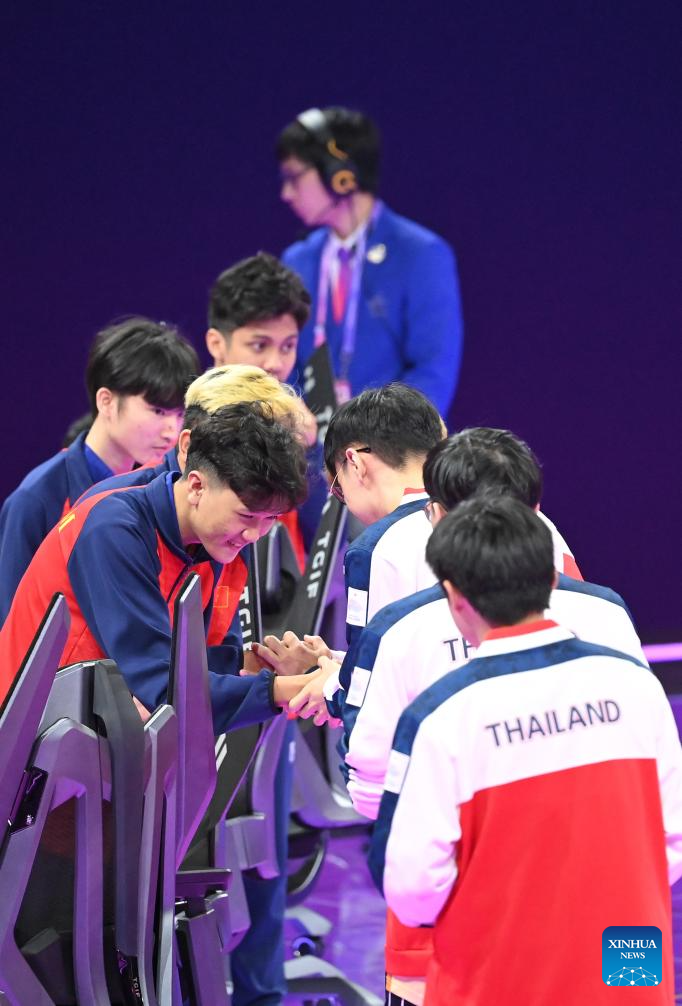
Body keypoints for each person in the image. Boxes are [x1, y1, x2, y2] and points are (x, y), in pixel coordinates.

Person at [336, 428, 640, 1006]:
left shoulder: (407, 643)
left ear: (433, 516)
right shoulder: (609, 617)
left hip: (462, 936)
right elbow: (665, 826)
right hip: (621, 925)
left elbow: (376, 800)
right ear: (537, 512)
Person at [0, 403, 328, 728]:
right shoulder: (114, 530)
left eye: (270, 518)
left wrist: (264, 665)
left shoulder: (209, 540)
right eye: (247, 515)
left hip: (90, 724)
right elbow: (164, 689)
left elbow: (181, 663)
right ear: (197, 486)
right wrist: (291, 689)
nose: (254, 534)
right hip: (27, 731)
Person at [253, 384, 445, 720]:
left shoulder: (377, 549)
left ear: (355, 463)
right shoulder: (519, 519)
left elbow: (366, 696)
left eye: (338, 490)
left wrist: (329, 687)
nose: (346, 503)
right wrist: (334, 663)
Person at [0, 317, 199, 626]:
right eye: (158, 411)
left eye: (179, 414)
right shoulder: (35, 500)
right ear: (106, 401)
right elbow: (11, 624)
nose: (171, 431)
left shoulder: (163, 490)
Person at [277, 107, 463, 412]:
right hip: (313, 441)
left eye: (293, 177)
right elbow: (287, 366)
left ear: (340, 175)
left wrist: (381, 435)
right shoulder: (297, 260)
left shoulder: (421, 254)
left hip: (394, 439)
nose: (286, 193)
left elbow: (433, 372)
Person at [205, 252, 325, 557]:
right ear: (216, 344)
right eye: (259, 345)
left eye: (288, 346)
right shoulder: (177, 427)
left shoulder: (300, 429)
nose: (275, 363)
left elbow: (324, 545)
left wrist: (310, 450)